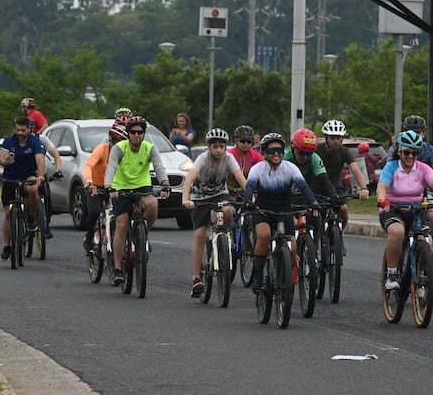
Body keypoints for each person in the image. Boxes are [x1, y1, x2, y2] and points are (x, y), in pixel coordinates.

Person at [376, 130, 433, 290]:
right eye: (406, 152)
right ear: (399, 152)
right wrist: (382, 199)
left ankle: (421, 273)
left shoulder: (423, 168)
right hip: (393, 208)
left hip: (417, 209)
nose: (410, 157)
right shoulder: (391, 167)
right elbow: (382, 185)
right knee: (397, 232)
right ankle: (392, 274)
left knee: (426, 240)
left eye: (414, 153)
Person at [244, 132, 317, 293]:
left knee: (292, 246)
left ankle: (285, 274)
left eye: (279, 150)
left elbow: (304, 187)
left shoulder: (290, 168)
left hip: (284, 210)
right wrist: (248, 202)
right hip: (262, 210)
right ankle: (258, 279)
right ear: (263, 153)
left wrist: (313, 203)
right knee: (264, 236)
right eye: (271, 151)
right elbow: (249, 187)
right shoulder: (257, 169)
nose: (276, 154)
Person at [104, 116, 170, 285]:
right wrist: (109, 186)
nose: (136, 135)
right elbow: (111, 167)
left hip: (142, 188)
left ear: (144, 134)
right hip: (121, 189)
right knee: (121, 224)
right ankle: (118, 268)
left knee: (153, 204)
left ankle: (143, 235)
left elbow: (159, 167)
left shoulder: (150, 148)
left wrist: (165, 183)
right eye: (133, 132)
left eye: (140, 132)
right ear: (128, 133)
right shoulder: (119, 148)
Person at [182, 128, 246, 297]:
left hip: (220, 194)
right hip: (200, 197)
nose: (219, 150)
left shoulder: (229, 158)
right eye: (215, 146)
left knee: (228, 211)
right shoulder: (202, 159)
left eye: (222, 146)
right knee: (200, 235)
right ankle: (196, 278)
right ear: (209, 147)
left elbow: (240, 178)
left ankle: (225, 239)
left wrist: (251, 195)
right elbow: (189, 179)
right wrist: (185, 199)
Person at [0, 116, 46, 261]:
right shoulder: (8, 141)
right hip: (10, 178)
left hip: (28, 175)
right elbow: (1, 159)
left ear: (29, 129)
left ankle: (31, 216)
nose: (20, 132)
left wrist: (41, 175)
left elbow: (39, 158)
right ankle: (7, 245)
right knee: (8, 214)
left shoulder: (35, 141)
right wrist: (4, 161)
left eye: (23, 130)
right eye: (17, 129)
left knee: (33, 189)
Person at [82, 119, 128, 251]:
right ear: (111, 141)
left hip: (115, 188)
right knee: (94, 212)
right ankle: (89, 236)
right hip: (97, 186)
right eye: (116, 143)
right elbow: (88, 165)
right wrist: (89, 182)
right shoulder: (101, 150)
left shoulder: (127, 153)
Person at [316, 119, 370, 230]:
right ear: (326, 138)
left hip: (336, 188)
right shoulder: (317, 150)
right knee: (315, 215)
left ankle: (339, 235)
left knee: (344, 209)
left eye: (338, 138)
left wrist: (363, 188)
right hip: (317, 189)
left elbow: (355, 170)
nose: (335, 141)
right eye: (332, 138)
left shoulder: (344, 151)